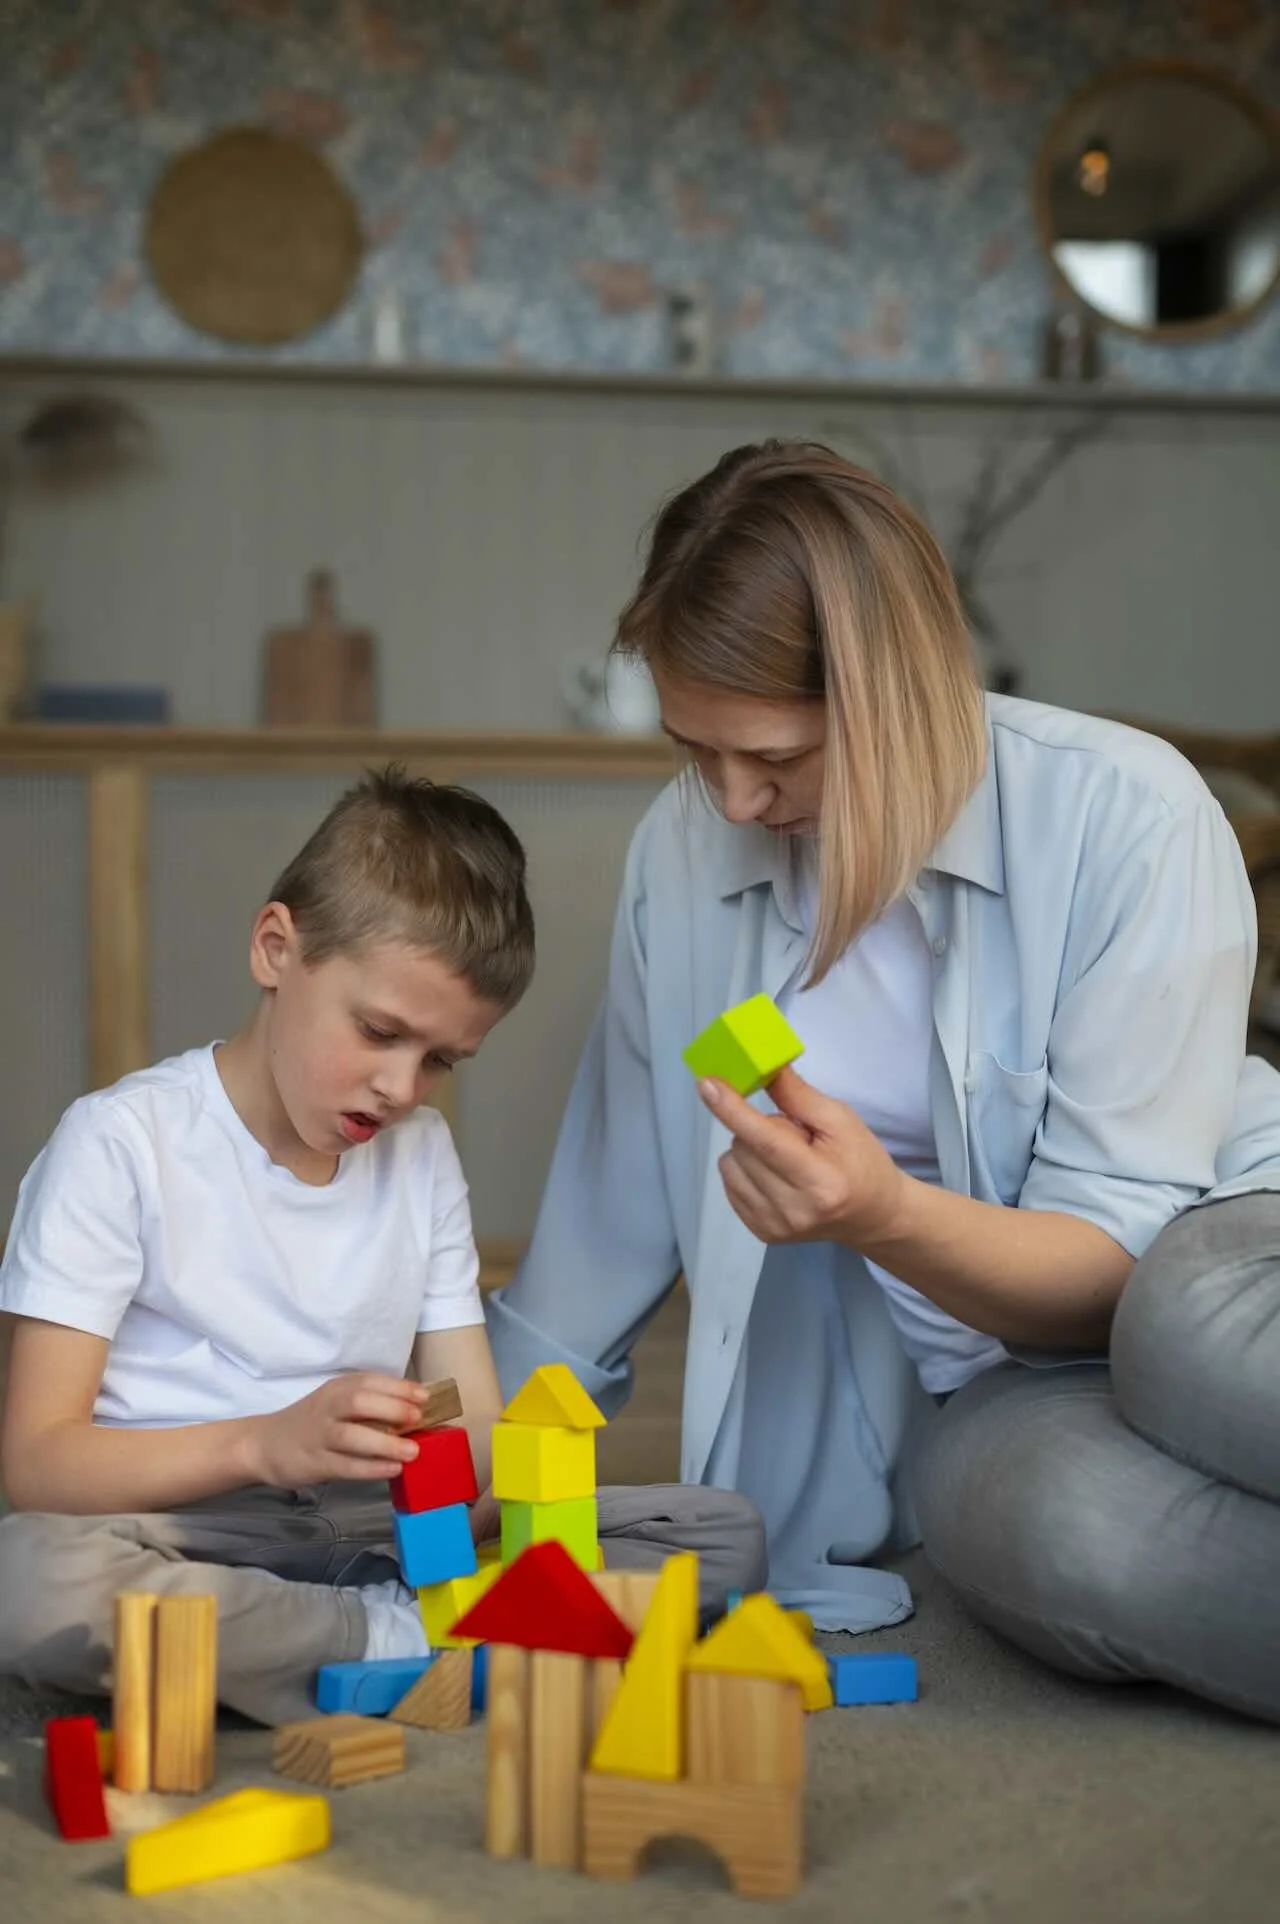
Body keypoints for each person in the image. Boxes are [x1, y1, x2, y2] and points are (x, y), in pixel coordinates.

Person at [485, 440, 1280, 1725]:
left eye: (778, 761)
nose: (734, 801)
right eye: (698, 752)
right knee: (1037, 1523)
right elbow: (604, 1224)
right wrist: (426, 1455)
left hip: (1209, 1262)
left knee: (1185, 1337)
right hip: (1004, 1382)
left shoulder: (1123, 813)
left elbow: (1116, 1267)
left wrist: (881, 1216)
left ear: (896, 696)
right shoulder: (685, 854)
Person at [0, 768, 765, 1726]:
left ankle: (333, 1637)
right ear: (277, 948)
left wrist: (481, 1476)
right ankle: (393, 1643)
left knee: (716, 1533)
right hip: (184, 1529)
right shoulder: (120, 1143)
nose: (403, 1088)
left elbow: (475, 1428)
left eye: (441, 1059)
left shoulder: (421, 1156)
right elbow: (36, 1464)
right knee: (30, 1585)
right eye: (379, 1032)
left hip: (375, 1531)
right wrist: (264, 1443)